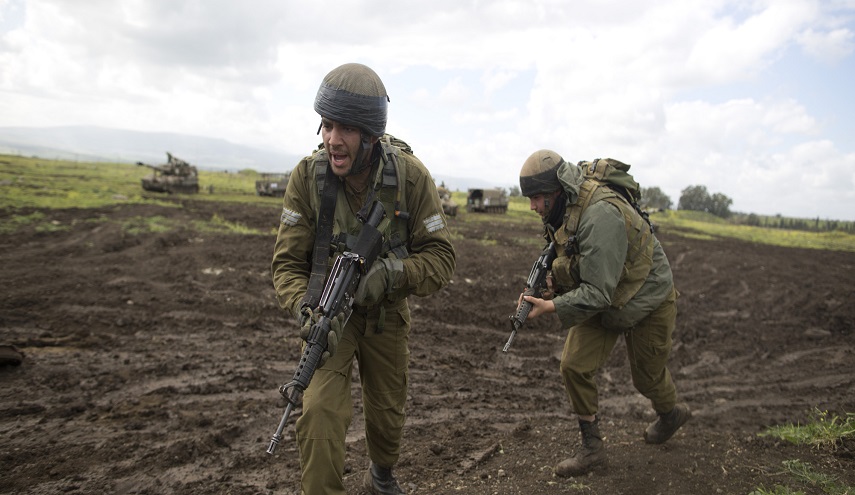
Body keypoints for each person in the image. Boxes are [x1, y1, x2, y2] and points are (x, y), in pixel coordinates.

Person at [271, 63, 456, 495]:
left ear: (370, 136)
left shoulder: (410, 177)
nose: (333, 139)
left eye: (347, 129)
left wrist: (391, 274)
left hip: (385, 315)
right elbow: (286, 265)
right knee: (317, 411)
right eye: (328, 126)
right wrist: (306, 309)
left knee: (387, 413)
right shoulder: (308, 177)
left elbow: (442, 257)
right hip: (329, 318)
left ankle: (381, 476)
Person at [516, 149, 690, 477]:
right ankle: (593, 451)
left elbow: (597, 292)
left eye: (537, 198)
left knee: (647, 377)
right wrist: (549, 284)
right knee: (574, 366)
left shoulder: (600, 214)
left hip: (647, 295)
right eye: (530, 198)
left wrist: (551, 306)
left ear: (556, 192)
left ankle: (670, 414)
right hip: (607, 293)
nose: (533, 207)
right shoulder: (561, 211)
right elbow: (578, 262)